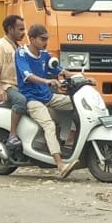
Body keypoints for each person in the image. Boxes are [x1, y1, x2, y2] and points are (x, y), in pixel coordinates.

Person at [14, 24, 77, 176]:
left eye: (47, 39)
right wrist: (47, 81)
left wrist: (80, 78)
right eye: (42, 39)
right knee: (49, 125)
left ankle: (71, 139)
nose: (45, 42)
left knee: (78, 104)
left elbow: (59, 70)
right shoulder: (21, 53)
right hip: (31, 99)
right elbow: (27, 76)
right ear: (32, 38)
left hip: (47, 96)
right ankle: (60, 164)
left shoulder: (45, 55)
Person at [0, 14, 27, 151]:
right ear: (10, 29)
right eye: (20, 29)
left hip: (19, 86)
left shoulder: (19, 48)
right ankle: (12, 135)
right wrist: (0, 89)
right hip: (6, 86)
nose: (23, 33)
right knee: (21, 101)